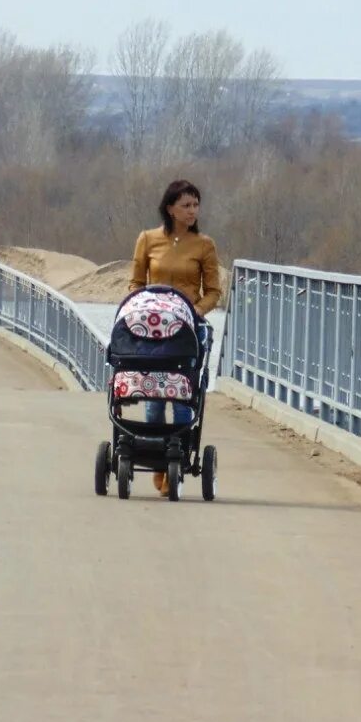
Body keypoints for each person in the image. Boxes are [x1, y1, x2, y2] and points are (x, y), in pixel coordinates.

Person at [128, 179, 223, 495]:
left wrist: (196, 311)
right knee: (154, 394)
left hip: (186, 326)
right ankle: (156, 459)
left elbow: (213, 292)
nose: (192, 211)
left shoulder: (204, 245)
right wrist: (140, 308)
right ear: (170, 208)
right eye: (186, 205)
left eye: (196, 205)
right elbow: (135, 284)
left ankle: (179, 456)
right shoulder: (147, 239)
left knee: (182, 394)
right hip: (153, 327)